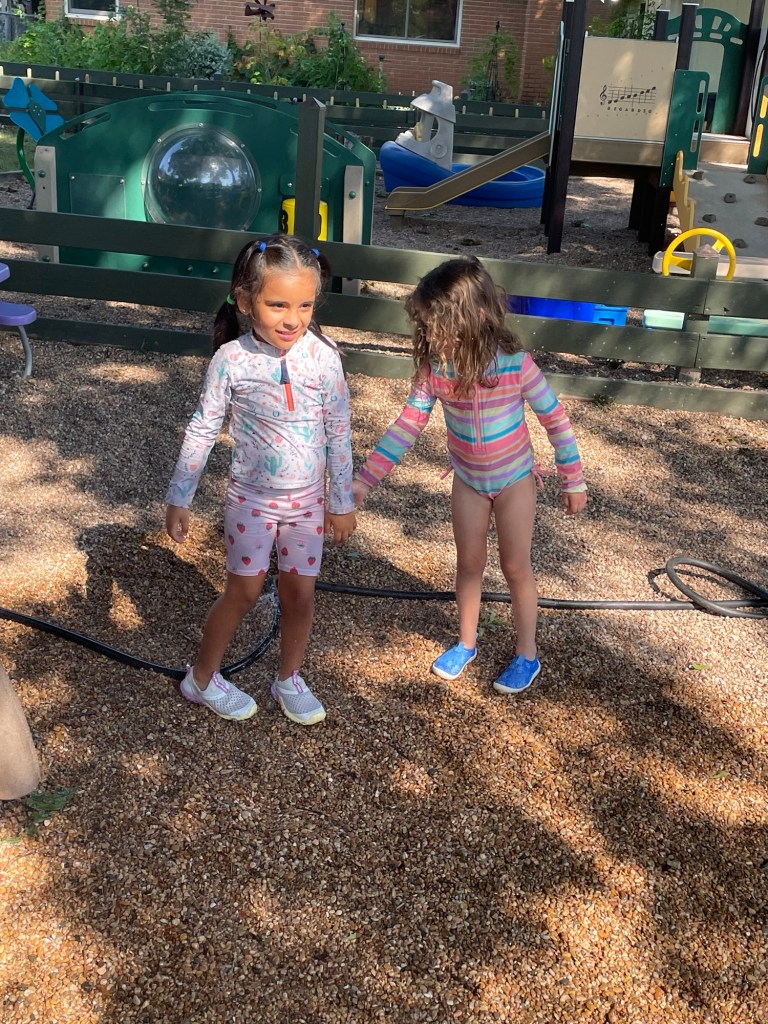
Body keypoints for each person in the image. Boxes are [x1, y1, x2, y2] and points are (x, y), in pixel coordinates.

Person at [352, 256, 587, 695]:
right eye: (425, 326)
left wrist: (573, 478)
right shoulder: (436, 370)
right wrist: (366, 479)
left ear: (474, 317)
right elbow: (407, 425)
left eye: (437, 326)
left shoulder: (515, 364)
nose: (429, 336)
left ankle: (527, 653)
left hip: (515, 479)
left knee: (515, 565)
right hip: (468, 481)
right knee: (469, 563)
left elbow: (556, 420)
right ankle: (465, 642)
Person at [165, 234, 356, 725]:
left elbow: (339, 432)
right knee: (244, 593)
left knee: (300, 595)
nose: (293, 319)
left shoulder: (325, 357)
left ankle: (289, 678)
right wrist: (179, 497)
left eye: (305, 305)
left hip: (307, 505)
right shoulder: (231, 360)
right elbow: (203, 428)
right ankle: (201, 679)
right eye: (278, 305)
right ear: (246, 301)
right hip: (251, 501)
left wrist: (341, 502)